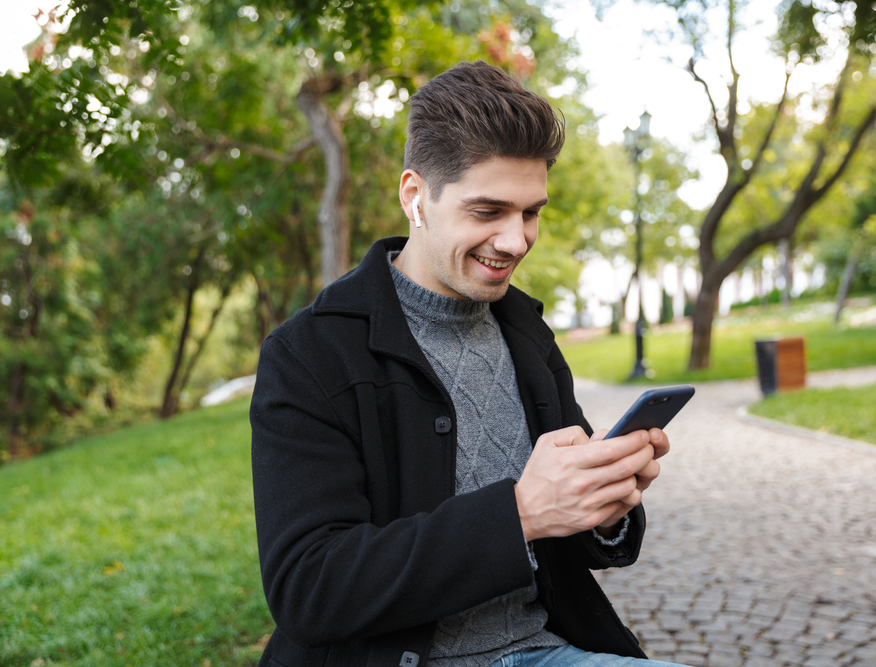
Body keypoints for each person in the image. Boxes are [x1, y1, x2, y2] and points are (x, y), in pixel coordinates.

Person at [250, 61, 686, 667]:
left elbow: (579, 536)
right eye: (488, 212)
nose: (516, 241)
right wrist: (522, 512)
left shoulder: (526, 331)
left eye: (531, 212)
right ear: (415, 197)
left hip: (544, 650)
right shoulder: (309, 355)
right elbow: (310, 589)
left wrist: (606, 503)